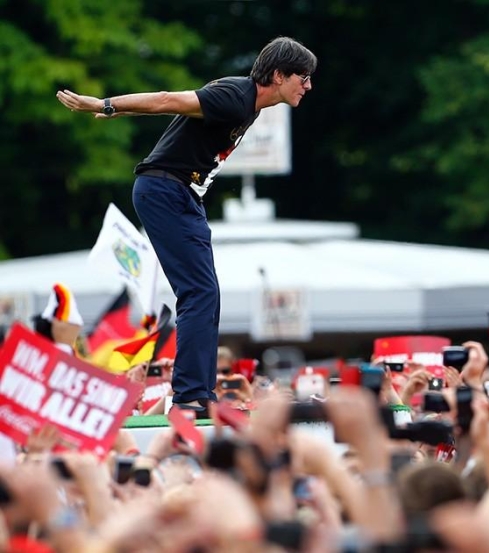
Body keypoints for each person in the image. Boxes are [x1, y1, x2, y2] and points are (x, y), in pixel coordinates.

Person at [56, 37, 317, 415]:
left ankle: (199, 392)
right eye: (303, 77)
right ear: (278, 75)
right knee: (199, 292)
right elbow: (166, 99)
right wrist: (107, 105)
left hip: (181, 196)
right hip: (164, 190)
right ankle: (191, 395)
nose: (308, 85)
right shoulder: (236, 96)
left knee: (206, 293)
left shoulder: (250, 105)